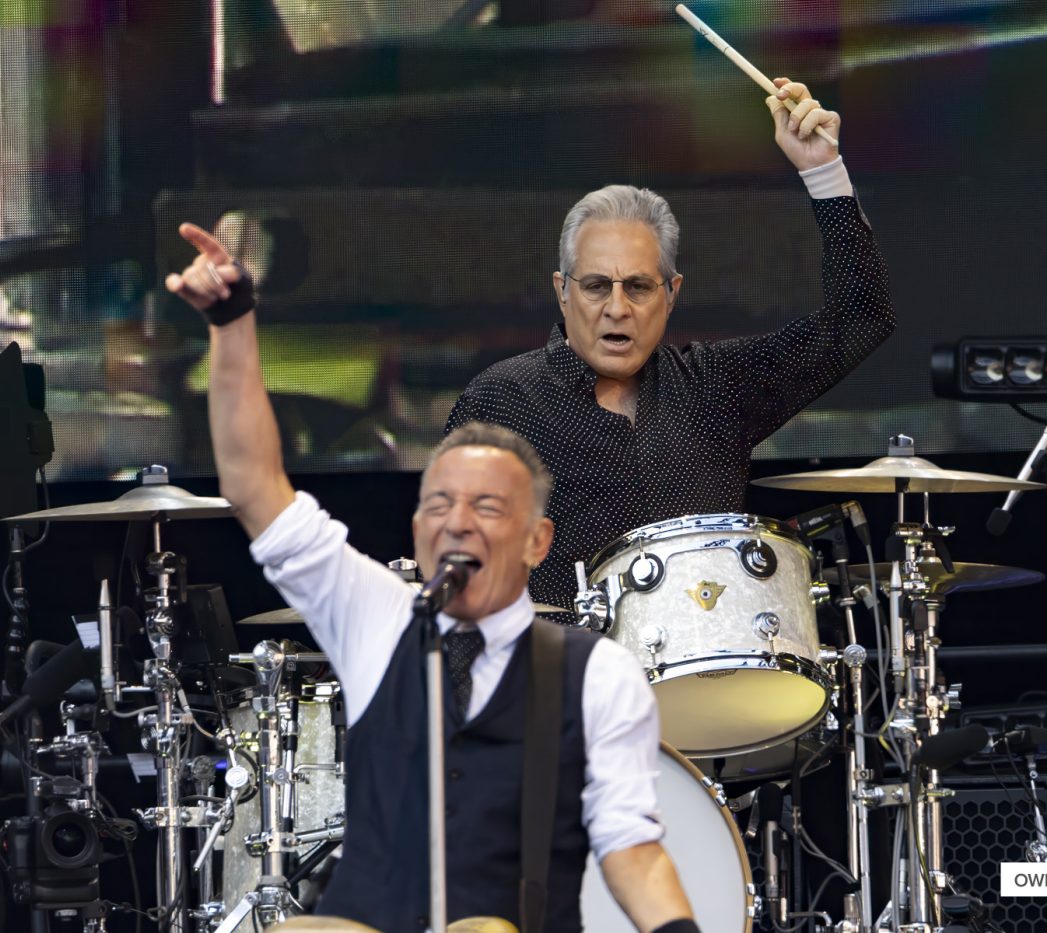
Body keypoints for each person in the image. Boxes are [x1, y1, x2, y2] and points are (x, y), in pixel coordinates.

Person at [165, 241, 697, 932]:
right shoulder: (379, 618)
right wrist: (232, 321)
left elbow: (632, 846)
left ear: (537, 541)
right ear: (416, 529)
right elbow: (253, 485)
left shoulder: (593, 673)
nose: (457, 526)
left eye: (487, 508)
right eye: (439, 506)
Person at [445, 78, 897, 610]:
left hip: (708, 685)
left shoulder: (717, 386)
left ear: (671, 294)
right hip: (559, 681)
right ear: (561, 292)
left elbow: (861, 320)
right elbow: (452, 568)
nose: (617, 308)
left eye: (638, 286)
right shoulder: (500, 402)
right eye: (595, 287)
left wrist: (823, 171)